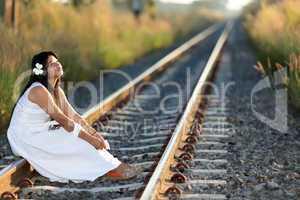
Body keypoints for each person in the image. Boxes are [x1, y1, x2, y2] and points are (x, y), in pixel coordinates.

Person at [7, 51, 137, 183]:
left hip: (39, 130)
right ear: (43, 71)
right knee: (72, 135)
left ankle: (111, 166)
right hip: (24, 135)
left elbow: (74, 116)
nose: (57, 64)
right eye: (52, 64)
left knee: (77, 132)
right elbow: (62, 120)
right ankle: (109, 168)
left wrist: (94, 133)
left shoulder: (57, 91)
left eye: (57, 61)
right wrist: (90, 139)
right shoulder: (38, 90)